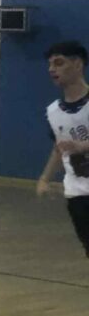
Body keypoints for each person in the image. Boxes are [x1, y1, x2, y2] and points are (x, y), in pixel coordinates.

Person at [36, 41, 89, 260]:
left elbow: (76, 146)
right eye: (50, 65)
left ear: (78, 64)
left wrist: (83, 146)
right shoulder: (53, 112)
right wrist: (45, 178)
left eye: (59, 63)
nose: (52, 69)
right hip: (78, 192)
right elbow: (59, 149)